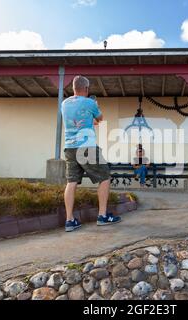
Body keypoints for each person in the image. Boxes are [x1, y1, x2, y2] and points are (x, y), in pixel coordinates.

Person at [62, 75, 121, 232]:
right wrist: (96, 106)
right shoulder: (89, 103)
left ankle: (69, 220)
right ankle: (102, 216)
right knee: (104, 178)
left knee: (71, 182)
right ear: (86, 89)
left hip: (69, 147)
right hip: (86, 147)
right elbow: (100, 118)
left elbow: (85, 121)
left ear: (74, 87)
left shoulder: (64, 103)